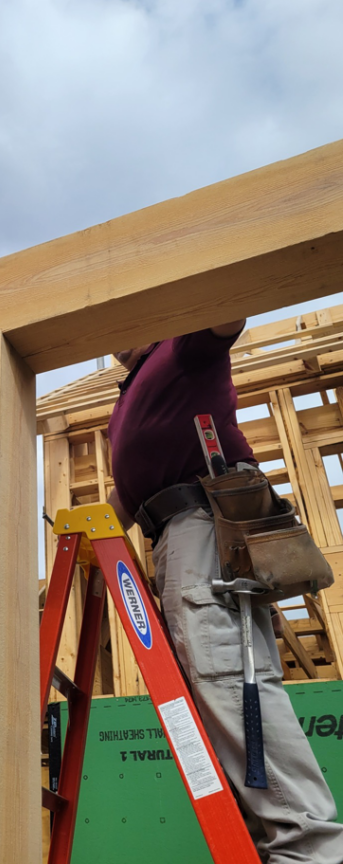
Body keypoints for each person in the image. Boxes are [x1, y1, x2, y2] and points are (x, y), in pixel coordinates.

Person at [107, 323, 343, 864]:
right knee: (211, 683)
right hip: (167, 531)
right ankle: (272, 844)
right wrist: (86, 529)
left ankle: (309, 849)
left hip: (201, 517)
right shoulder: (133, 391)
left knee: (227, 675)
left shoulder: (182, 343)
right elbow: (129, 485)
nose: (113, 334)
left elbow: (226, 309)